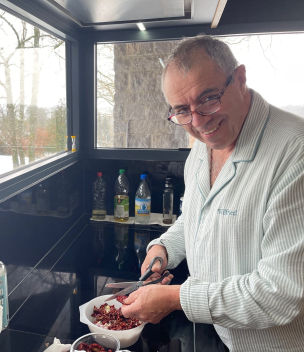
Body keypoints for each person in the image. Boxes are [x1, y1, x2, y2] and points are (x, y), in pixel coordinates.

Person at [121, 35, 304, 352]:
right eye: (182, 110)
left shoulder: (295, 153)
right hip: (218, 334)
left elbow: (280, 293)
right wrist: (164, 248)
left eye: (208, 99)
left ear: (241, 79)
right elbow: (195, 217)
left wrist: (175, 297)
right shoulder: (201, 150)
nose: (198, 122)